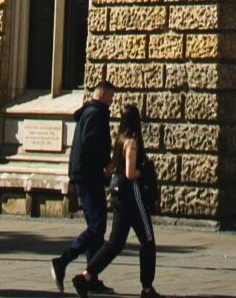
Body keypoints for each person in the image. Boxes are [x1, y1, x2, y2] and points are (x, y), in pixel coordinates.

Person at [73, 102, 158, 298]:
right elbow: (129, 173)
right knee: (148, 239)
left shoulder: (119, 140)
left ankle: (85, 276)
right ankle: (147, 288)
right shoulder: (132, 142)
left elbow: (113, 168)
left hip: (118, 194)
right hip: (131, 193)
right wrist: (144, 170)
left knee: (115, 242)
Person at [52, 78, 115, 293]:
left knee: (96, 228)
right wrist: (106, 163)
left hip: (83, 173)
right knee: (97, 226)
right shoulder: (97, 113)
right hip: (88, 174)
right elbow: (90, 142)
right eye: (111, 97)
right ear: (103, 94)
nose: (112, 102)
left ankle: (91, 277)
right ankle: (63, 261)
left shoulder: (88, 112)